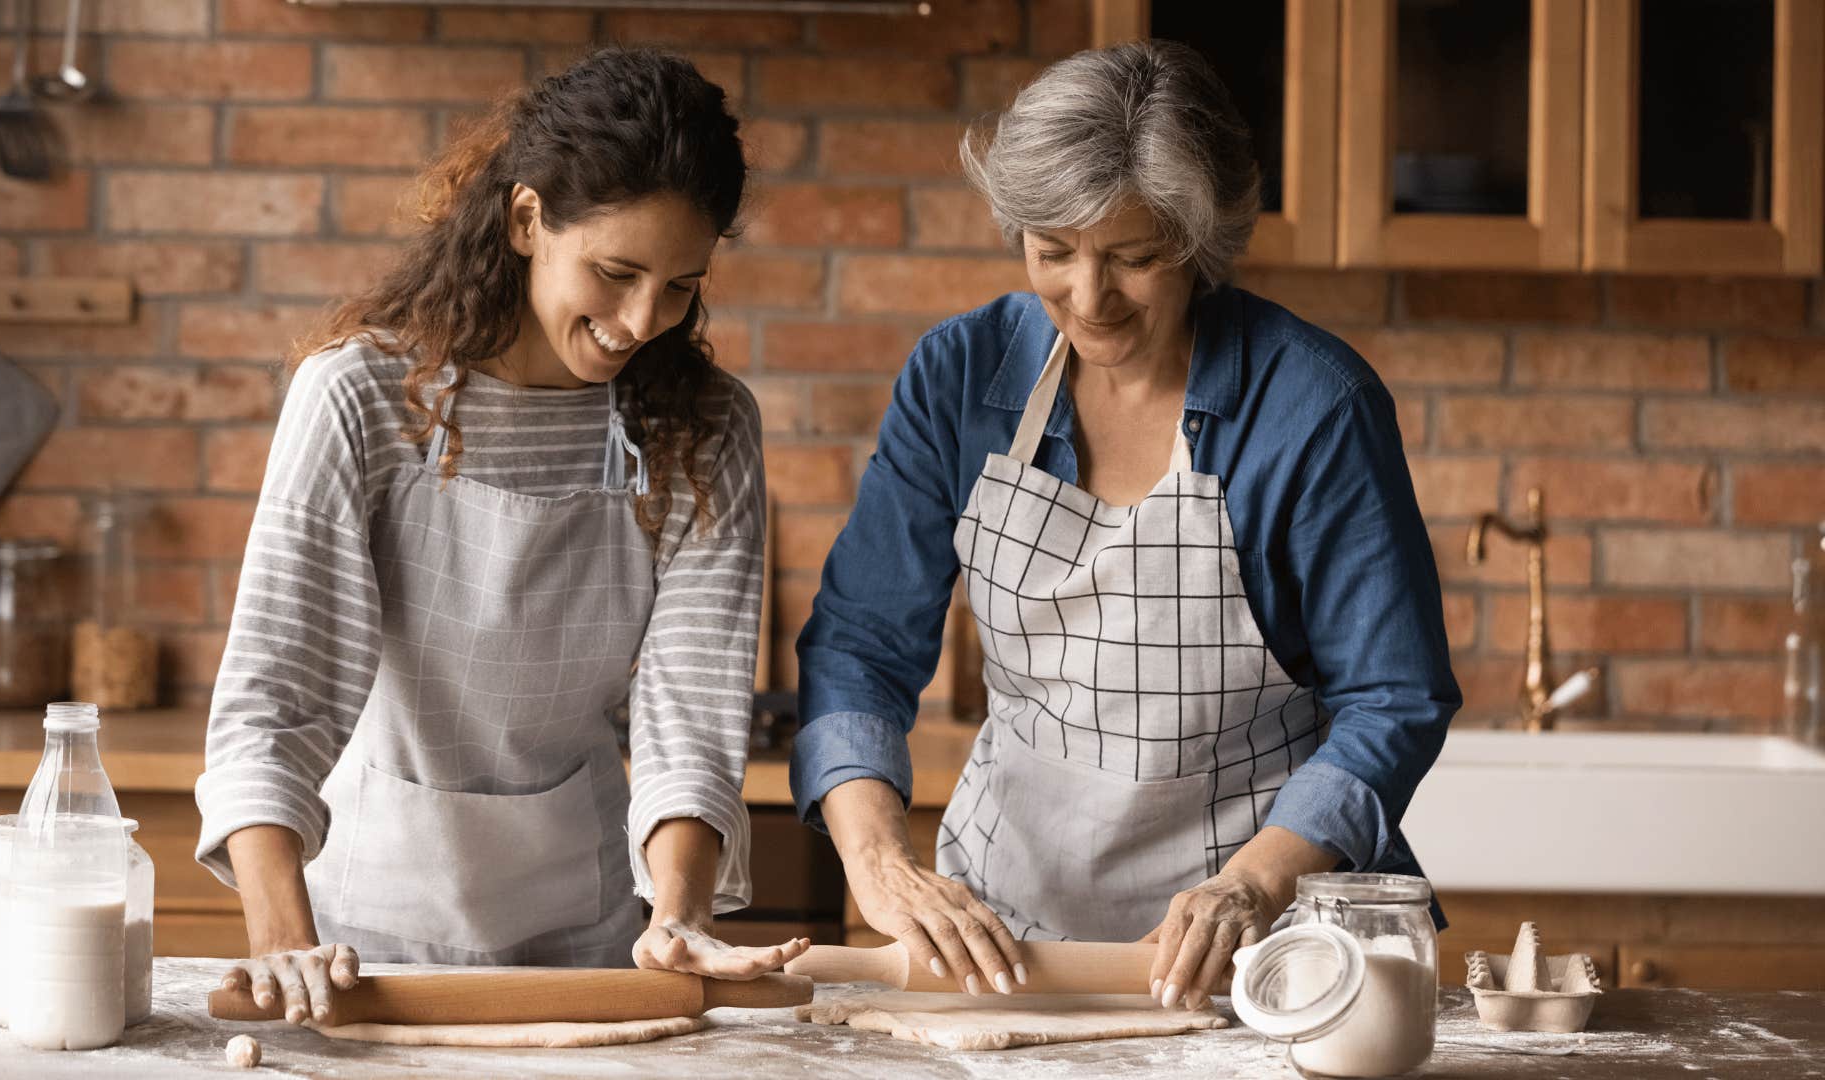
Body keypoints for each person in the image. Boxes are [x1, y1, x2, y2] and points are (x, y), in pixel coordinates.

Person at [791, 39, 1459, 1012]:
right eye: (1053, 251)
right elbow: (859, 647)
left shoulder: (1315, 408)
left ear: (1198, 243)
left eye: (1133, 258)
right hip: (1002, 941)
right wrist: (880, 863)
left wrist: (1250, 886)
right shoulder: (961, 378)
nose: (1089, 297)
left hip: (1261, 950)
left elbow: (1395, 699)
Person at [194, 47, 804, 1026]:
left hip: (591, 953)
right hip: (357, 952)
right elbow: (272, 703)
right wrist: (282, 943)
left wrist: (681, 911)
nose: (643, 321)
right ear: (527, 221)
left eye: (681, 285)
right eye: (615, 273)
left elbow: (690, 705)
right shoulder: (360, 399)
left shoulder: (706, 426)